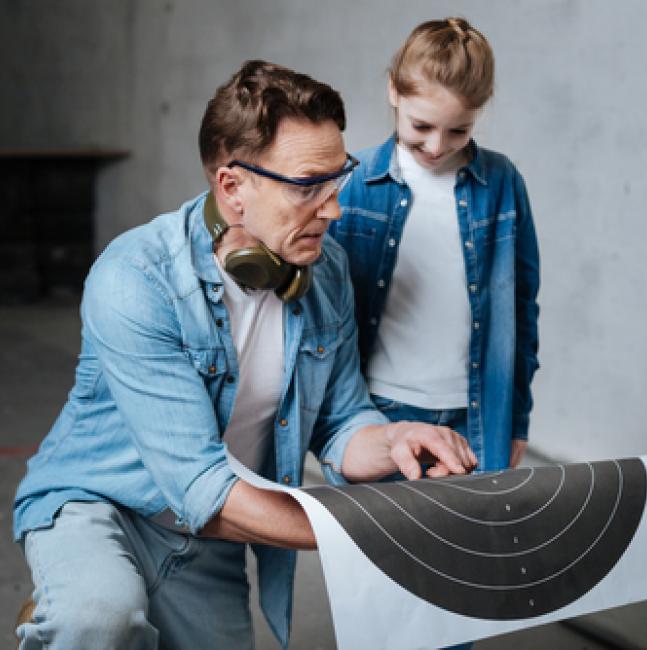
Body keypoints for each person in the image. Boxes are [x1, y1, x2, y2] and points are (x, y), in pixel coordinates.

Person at [12, 60, 476, 650]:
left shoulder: (325, 269)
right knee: (102, 619)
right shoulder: (135, 278)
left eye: (339, 179)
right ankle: (69, 609)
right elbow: (200, 485)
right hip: (101, 507)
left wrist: (395, 440)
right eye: (309, 185)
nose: (333, 208)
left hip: (209, 539)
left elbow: (341, 422)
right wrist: (370, 526)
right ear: (232, 187)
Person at [331, 17, 540, 474]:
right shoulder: (353, 182)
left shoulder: (502, 183)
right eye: (421, 125)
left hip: (478, 417)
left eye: (458, 131)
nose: (436, 145)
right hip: (377, 411)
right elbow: (321, 309)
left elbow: (523, 309)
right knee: (373, 545)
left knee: (470, 546)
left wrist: (517, 420)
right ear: (393, 91)